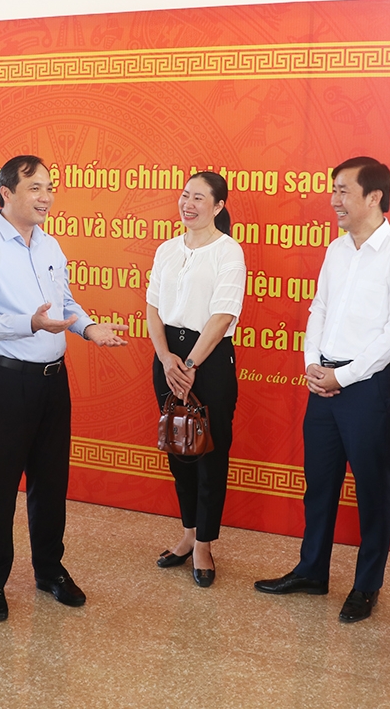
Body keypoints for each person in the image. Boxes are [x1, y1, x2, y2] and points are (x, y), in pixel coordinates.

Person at [254, 156, 390, 619]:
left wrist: (342, 375)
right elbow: (319, 311)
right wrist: (313, 365)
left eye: (343, 191)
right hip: (323, 383)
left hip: (366, 388)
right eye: (333, 190)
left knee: (372, 488)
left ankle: (367, 585)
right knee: (320, 484)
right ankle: (312, 571)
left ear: (374, 197)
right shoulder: (336, 250)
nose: (334, 200)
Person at [0, 155, 126, 622]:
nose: (46, 197)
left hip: (54, 380)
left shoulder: (50, 245)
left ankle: (50, 569)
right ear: (6, 193)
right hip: (7, 379)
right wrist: (27, 323)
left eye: (49, 187)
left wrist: (88, 329)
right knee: (2, 482)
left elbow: (66, 302)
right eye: (35, 188)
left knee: (51, 482)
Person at [147, 171, 246, 587]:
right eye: (185, 195)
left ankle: (205, 542)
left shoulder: (228, 252)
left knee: (210, 451)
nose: (188, 204)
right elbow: (152, 308)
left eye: (199, 198)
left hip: (208, 359)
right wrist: (167, 358)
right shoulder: (167, 249)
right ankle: (187, 534)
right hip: (167, 357)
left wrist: (188, 364)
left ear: (219, 207)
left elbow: (223, 314)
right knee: (178, 445)